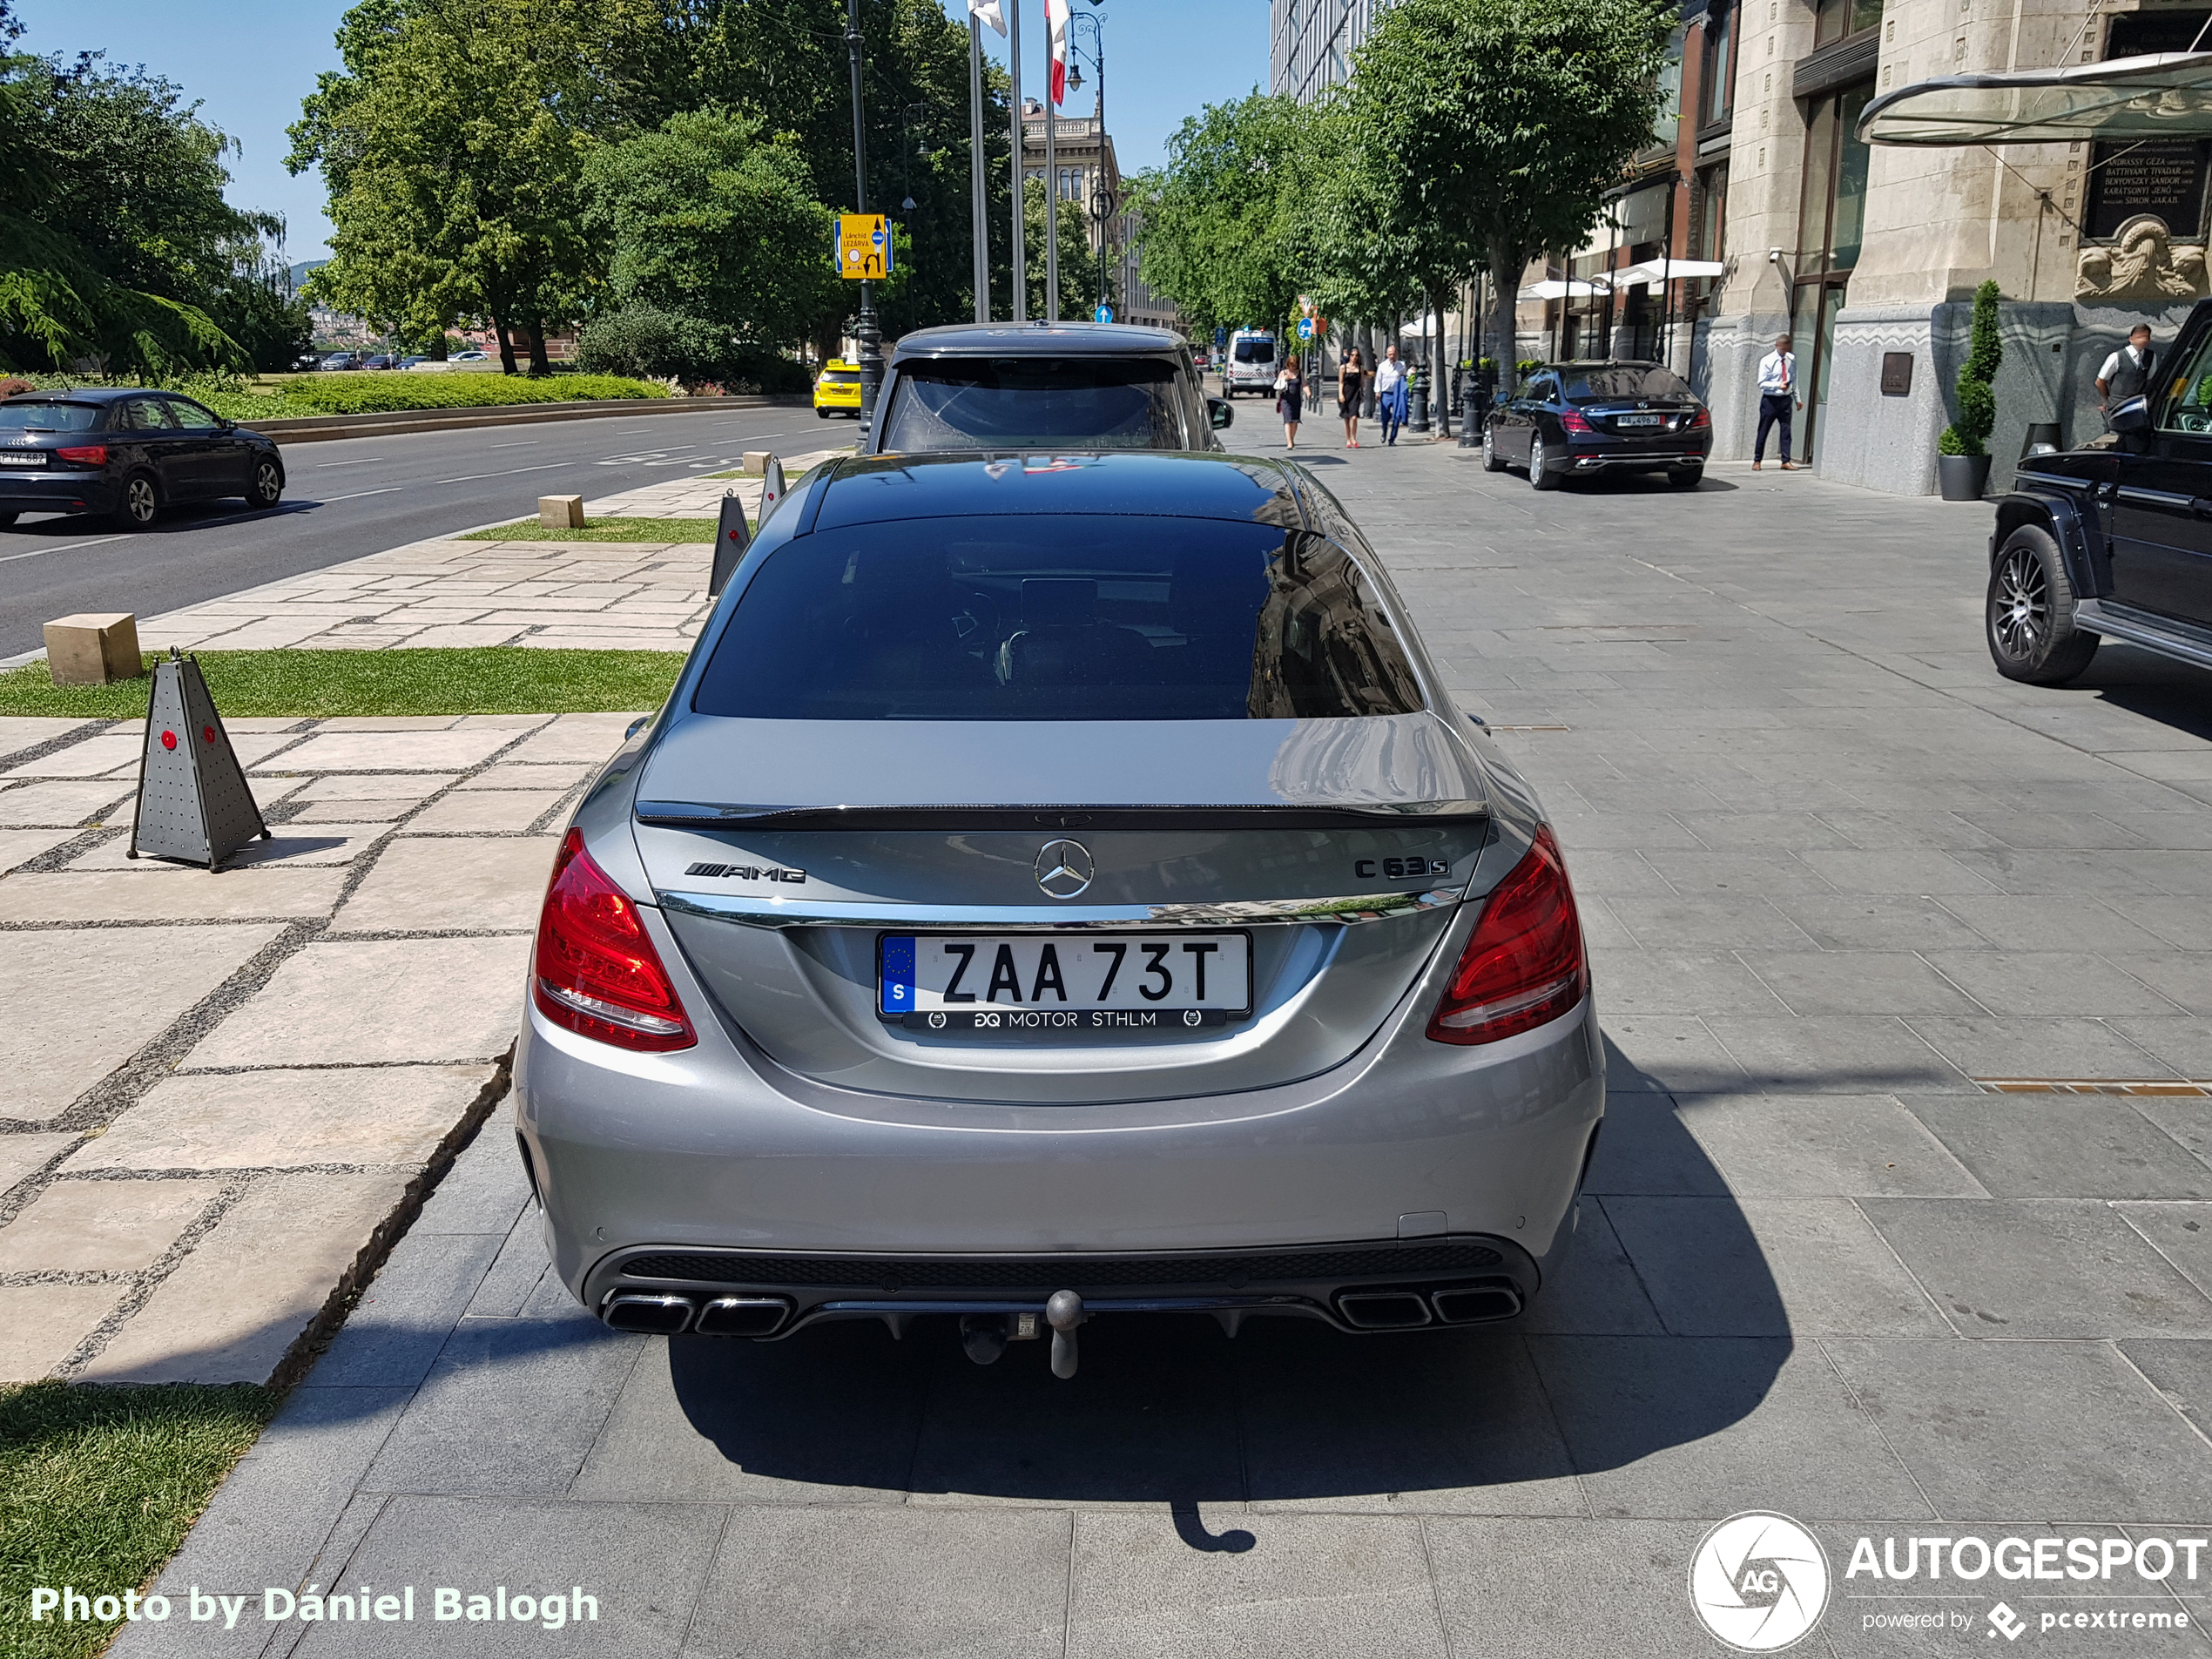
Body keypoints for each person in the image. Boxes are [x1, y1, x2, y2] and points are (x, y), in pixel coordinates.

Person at [1754, 334, 1799, 471]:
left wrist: (1798, 399)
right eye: (1782, 349)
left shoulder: (1791, 359)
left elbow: (1794, 380)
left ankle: (1786, 460)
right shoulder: (1767, 360)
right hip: (1770, 400)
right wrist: (1777, 385)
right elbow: (1761, 383)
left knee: (1786, 431)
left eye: (1787, 349)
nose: (1785, 352)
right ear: (1777, 346)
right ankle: (1757, 460)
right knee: (1763, 430)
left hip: (1785, 399)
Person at [2098, 323, 2156, 421]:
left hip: (2137, 406)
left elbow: (2150, 381)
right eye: (2139, 337)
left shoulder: (2151, 356)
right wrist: (2106, 401)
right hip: (2117, 406)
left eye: (2146, 337)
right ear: (2131, 339)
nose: (2143, 340)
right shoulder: (2117, 357)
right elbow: (2100, 381)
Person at [1375, 345, 1408, 445]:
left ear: (1396, 354)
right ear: (1386, 354)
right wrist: (1377, 392)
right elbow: (1378, 380)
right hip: (1385, 394)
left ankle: (1392, 439)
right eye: (1390, 354)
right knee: (1385, 417)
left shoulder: (1401, 365)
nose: (1392, 356)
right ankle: (1384, 432)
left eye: (1393, 354)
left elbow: (1404, 377)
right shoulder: (1382, 366)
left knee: (1397, 416)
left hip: (1397, 394)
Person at [1275, 354, 1305, 450]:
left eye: (1295, 365)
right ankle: (1289, 442)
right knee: (1288, 420)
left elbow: (1304, 384)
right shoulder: (1283, 373)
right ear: (1288, 365)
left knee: (1295, 421)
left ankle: (1291, 438)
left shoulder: (1300, 373)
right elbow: (1277, 385)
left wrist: (1308, 392)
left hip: (1296, 400)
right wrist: (1284, 379)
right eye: (1291, 365)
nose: (1293, 367)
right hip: (1285, 399)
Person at [1339, 347, 1366, 448]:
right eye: (1352, 355)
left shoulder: (1360, 368)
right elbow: (1341, 382)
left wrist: (1363, 393)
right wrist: (1340, 394)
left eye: (1356, 355)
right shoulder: (1343, 368)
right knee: (1346, 418)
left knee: (1354, 417)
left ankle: (1354, 438)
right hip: (1346, 394)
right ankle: (1348, 440)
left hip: (1355, 394)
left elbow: (1362, 382)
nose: (1354, 357)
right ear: (1349, 356)